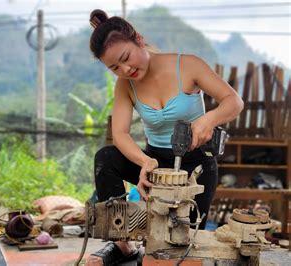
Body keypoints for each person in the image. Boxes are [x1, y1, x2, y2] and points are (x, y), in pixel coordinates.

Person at [86, 10, 243, 265]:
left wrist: (207, 120)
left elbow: (234, 102)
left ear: (138, 39)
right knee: (106, 158)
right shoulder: (126, 85)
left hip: (196, 165)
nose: (125, 69)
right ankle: (123, 246)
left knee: (179, 243)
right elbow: (120, 134)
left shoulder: (188, 65)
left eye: (126, 58)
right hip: (155, 161)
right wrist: (144, 162)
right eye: (114, 67)